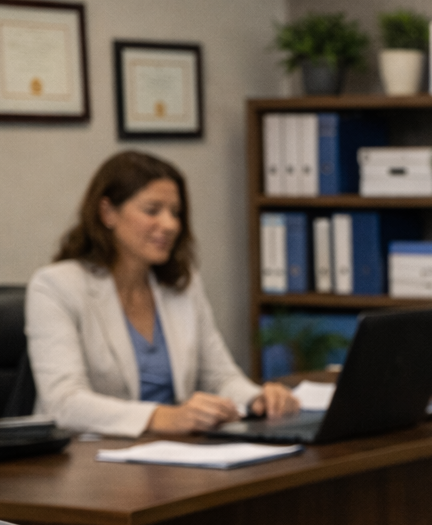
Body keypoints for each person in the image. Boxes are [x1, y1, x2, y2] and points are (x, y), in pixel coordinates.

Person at [27, 151, 298, 437]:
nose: (170, 225)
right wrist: (162, 417)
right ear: (107, 213)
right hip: (89, 461)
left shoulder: (181, 284)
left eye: (175, 213)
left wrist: (257, 398)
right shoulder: (55, 286)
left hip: (174, 454)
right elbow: (63, 403)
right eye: (152, 210)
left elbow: (220, 377)